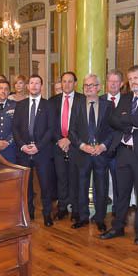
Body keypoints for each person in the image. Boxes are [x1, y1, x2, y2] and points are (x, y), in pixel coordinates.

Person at [100, 65, 138, 245]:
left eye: (136, 78)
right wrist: (132, 123)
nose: (133, 82)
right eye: (131, 79)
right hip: (123, 152)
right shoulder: (125, 99)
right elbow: (113, 120)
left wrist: (128, 119)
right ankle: (118, 227)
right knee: (121, 193)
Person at [70, 74, 113, 231]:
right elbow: (72, 131)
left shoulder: (108, 106)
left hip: (101, 154)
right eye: (86, 85)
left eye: (92, 85)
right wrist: (82, 146)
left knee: (100, 187)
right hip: (82, 153)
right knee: (81, 186)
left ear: (99, 87)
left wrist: (102, 146)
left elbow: (112, 131)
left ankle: (100, 218)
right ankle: (83, 217)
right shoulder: (77, 105)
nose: (88, 88)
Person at [13, 74, 56, 227]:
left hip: (42, 151)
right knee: (27, 186)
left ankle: (47, 214)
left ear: (42, 86)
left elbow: (51, 129)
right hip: (24, 152)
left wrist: (38, 146)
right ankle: (28, 212)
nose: (34, 86)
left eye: (37, 83)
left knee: (45, 185)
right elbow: (15, 128)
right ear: (27, 86)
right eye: (31, 83)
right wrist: (23, 146)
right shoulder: (21, 105)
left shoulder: (49, 105)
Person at [49, 71, 85, 221]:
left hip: (75, 145)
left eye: (70, 81)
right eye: (64, 81)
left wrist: (69, 139)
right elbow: (50, 124)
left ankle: (76, 209)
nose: (67, 84)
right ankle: (62, 207)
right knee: (61, 177)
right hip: (58, 145)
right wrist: (60, 139)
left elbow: (84, 124)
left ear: (75, 84)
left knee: (75, 178)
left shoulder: (82, 100)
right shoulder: (53, 101)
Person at [101, 69, 123, 214]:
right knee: (100, 181)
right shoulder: (99, 100)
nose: (113, 84)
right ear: (106, 83)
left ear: (121, 84)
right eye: (110, 81)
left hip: (120, 149)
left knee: (119, 182)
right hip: (102, 149)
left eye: (116, 81)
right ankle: (101, 208)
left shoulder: (129, 100)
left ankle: (118, 209)